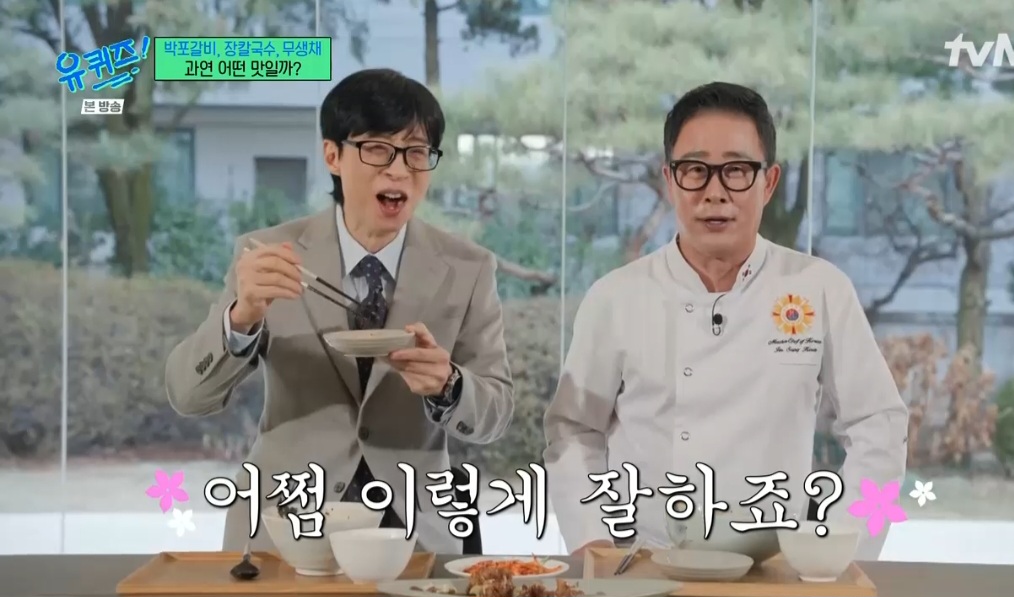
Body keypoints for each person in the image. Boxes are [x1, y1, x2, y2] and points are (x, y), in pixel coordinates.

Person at [543, 82, 908, 560]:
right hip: (645, 569)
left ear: (768, 182)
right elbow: (573, 429)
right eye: (695, 170)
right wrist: (593, 544)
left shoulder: (819, 288)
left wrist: (838, 550)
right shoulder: (615, 297)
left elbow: (879, 424)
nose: (715, 193)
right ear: (670, 180)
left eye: (736, 171)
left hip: (777, 570)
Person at [165, 68, 515, 554]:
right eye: (377, 149)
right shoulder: (268, 253)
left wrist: (450, 385)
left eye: (416, 152)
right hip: (285, 527)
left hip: (416, 535)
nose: (399, 170)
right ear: (332, 154)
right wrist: (241, 317)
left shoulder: (468, 267)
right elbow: (187, 395)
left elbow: (496, 412)